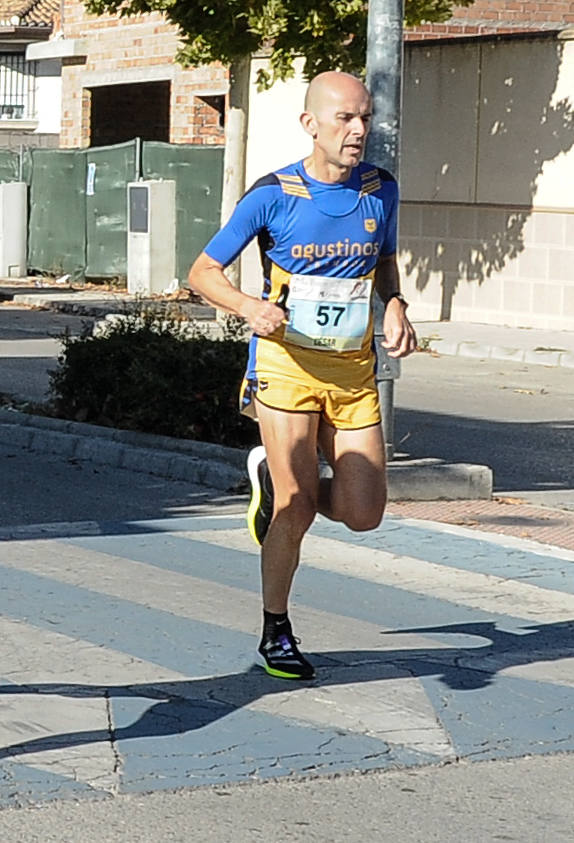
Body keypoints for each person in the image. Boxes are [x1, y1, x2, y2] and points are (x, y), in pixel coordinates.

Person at [186, 71, 417, 680]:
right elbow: (203, 272)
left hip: (352, 372)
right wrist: (248, 307)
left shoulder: (381, 189)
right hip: (285, 367)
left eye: (366, 118)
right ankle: (276, 628)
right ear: (310, 124)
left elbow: (385, 260)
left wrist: (394, 304)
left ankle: (274, 481)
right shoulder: (273, 194)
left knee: (366, 512)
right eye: (345, 119)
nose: (359, 131)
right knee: (296, 510)